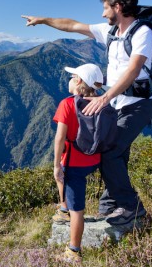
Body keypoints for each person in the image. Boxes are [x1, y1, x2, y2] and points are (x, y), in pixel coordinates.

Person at [22, 0, 152, 227]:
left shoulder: (143, 33)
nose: (103, 14)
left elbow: (134, 69)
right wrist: (43, 20)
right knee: (114, 152)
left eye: (106, 8)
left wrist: (104, 97)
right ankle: (110, 206)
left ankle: (131, 207)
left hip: (137, 104)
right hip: (116, 104)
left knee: (110, 151)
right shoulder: (111, 32)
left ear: (118, 6)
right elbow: (72, 25)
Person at [52, 63, 104, 263]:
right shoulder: (100, 102)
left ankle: (74, 251)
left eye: (73, 76)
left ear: (79, 81)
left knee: (78, 210)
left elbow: (59, 138)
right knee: (64, 177)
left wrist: (56, 165)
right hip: (95, 159)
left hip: (73, 163)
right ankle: (64, 208)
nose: (70, 79)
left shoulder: (67, 104)